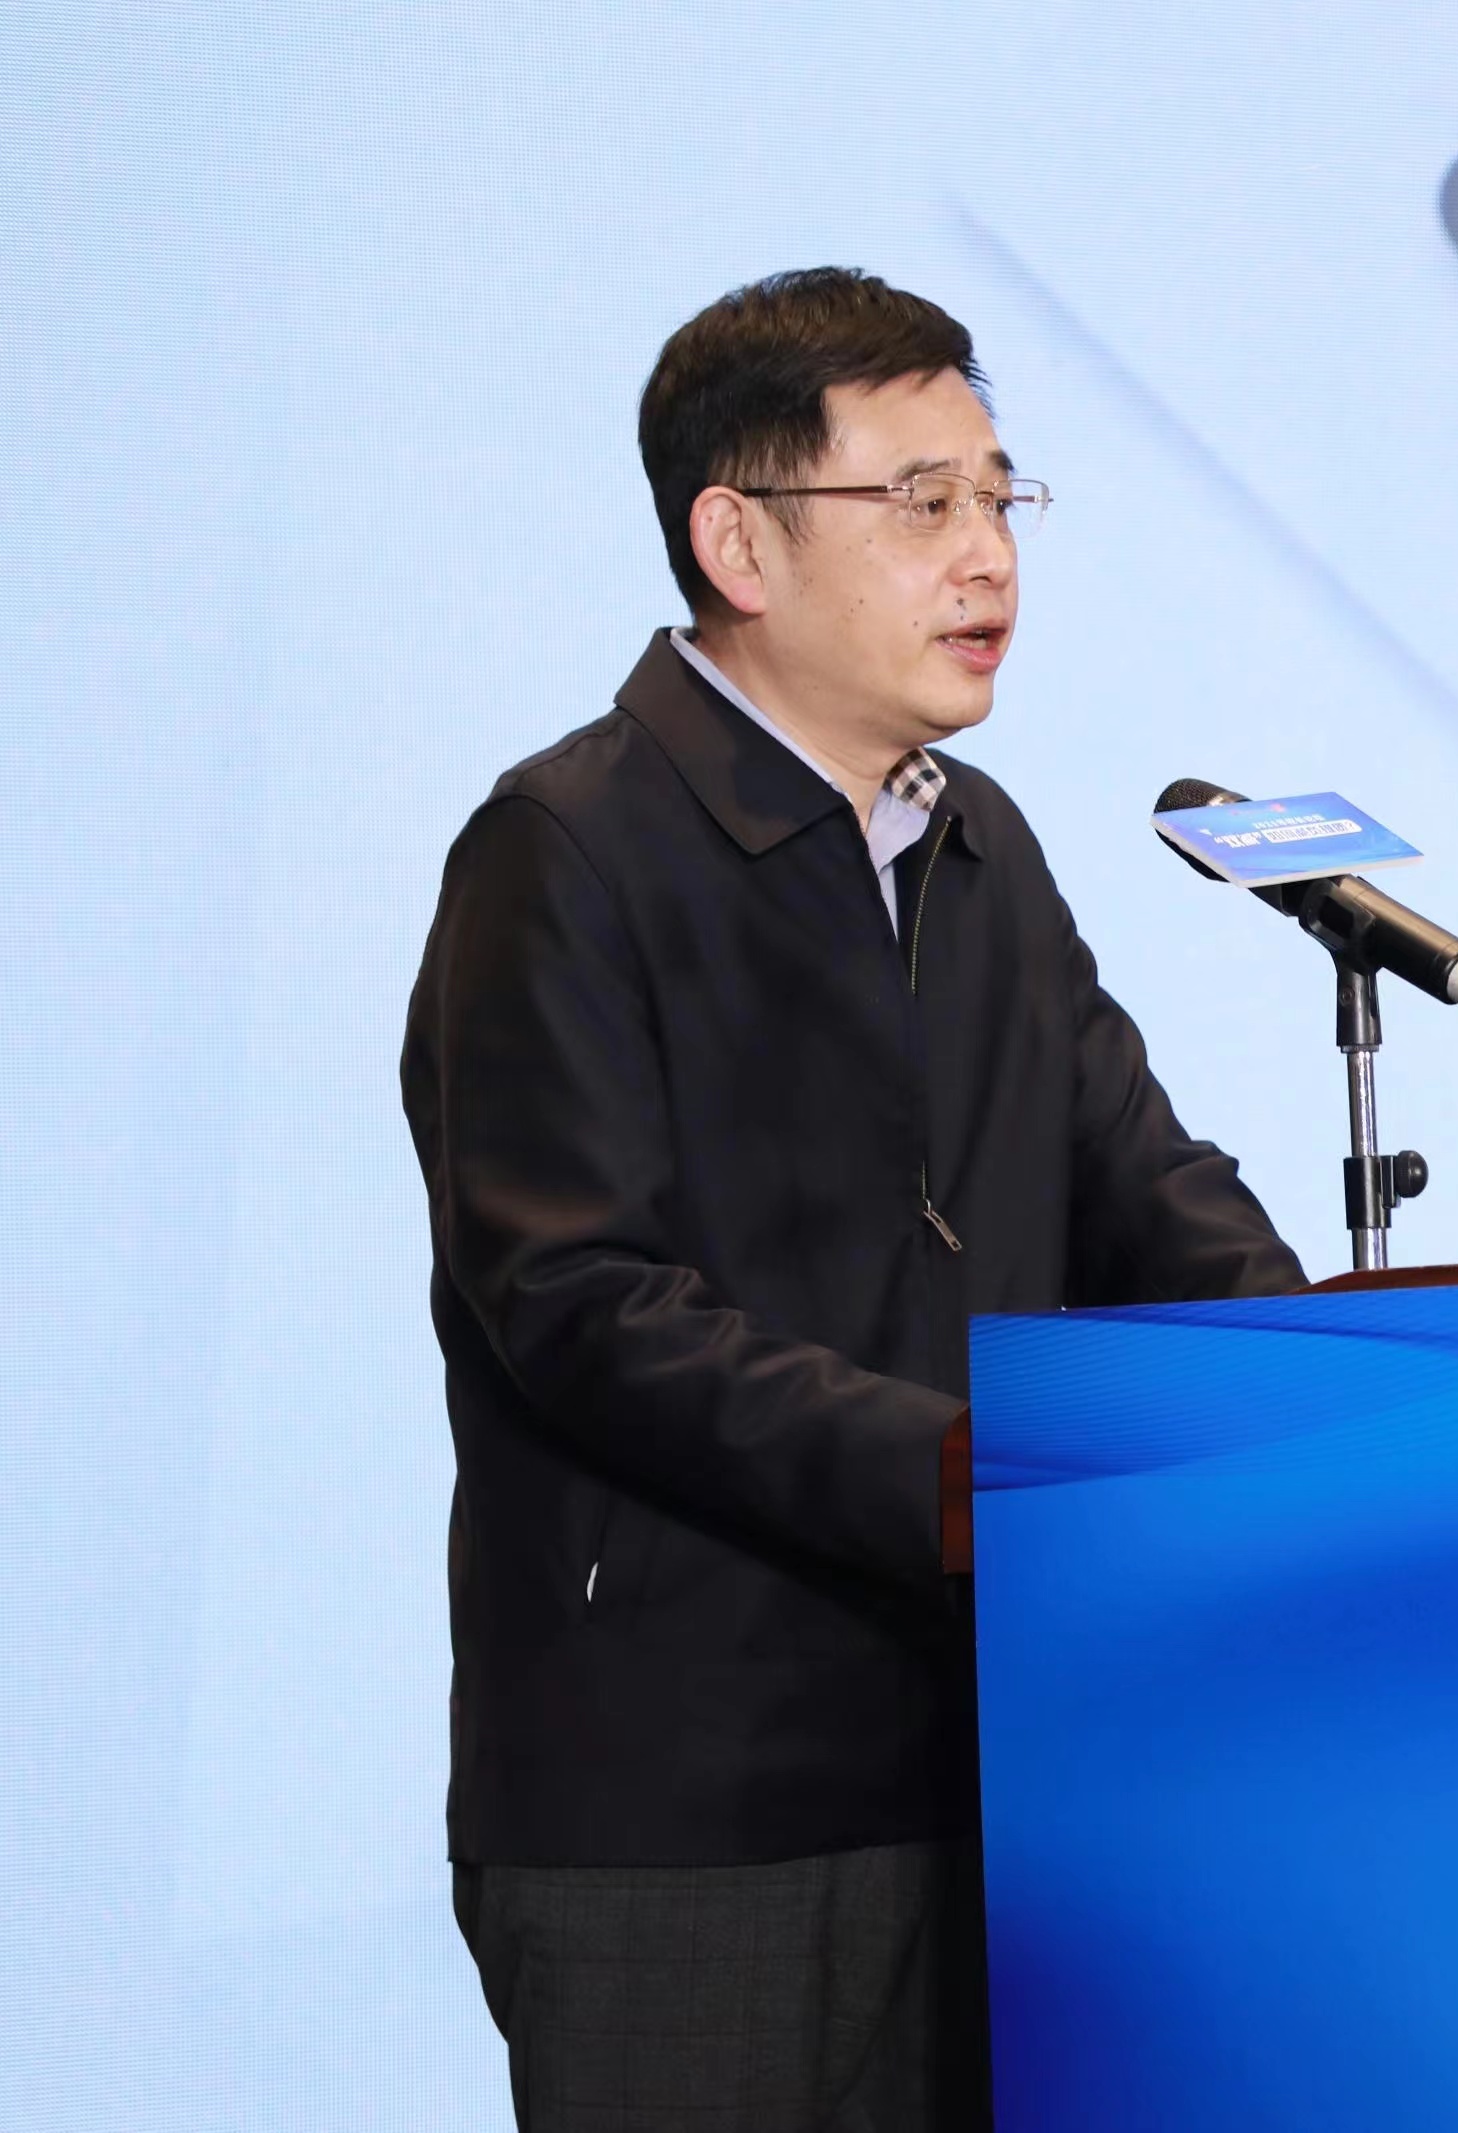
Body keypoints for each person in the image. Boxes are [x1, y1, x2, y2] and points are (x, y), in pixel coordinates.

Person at [401, 267, 1305, 2131]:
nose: (989, 557)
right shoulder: (565, 850)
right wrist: (958, 1475)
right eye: (920, 503)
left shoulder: (979, 846)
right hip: (691, 1807)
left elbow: (1146, 1178)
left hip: (1012, 1766)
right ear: (737, 541)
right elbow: (582, 1301)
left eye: (999, 496)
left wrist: (1325, 1391)